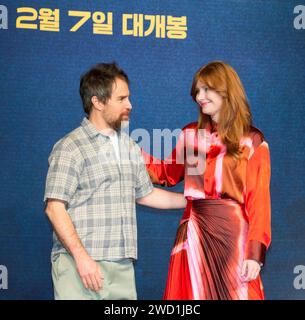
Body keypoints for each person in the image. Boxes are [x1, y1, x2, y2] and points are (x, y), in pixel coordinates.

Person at [44, 62, 186, 300]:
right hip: (79, 267)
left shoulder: (128, 146)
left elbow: (146, 194)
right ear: (97, 102)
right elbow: (54, 207)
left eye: (128, 98)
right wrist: (82, 258)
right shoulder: (70, 147)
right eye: (121, 99)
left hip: (122, 267)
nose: (129, 105)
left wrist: (195, 198)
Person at [142, 61, 271, 300]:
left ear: (226, 90)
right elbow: (165, 173)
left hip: (235, 238)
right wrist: (131, 152)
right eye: (197, 91)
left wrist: (254, 254)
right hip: (194, 232)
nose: (200, 97)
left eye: (206, 89)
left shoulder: (252, 141)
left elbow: (259, 202)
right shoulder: (191, 135)